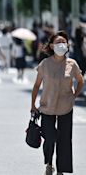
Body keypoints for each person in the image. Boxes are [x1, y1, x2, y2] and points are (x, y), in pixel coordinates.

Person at [31, 31, 84, 175]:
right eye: (58, 42)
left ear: (67, 45)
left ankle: (61, 169)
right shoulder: (45, 64)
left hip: (65, 107)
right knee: (49, 138)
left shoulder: (72, 64)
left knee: (64, 140)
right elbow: (36, 85)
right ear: (52, 45)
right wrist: (33, 105)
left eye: (64, 42)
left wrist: (75, 95)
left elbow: (80, 80)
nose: (61, 45)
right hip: (47, 107)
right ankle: (49, 163)